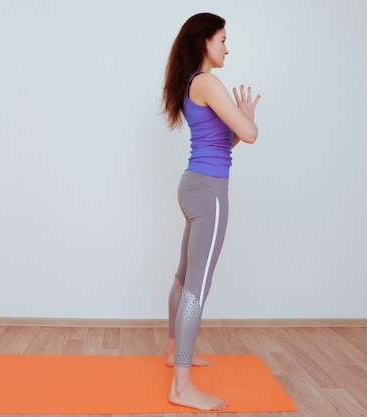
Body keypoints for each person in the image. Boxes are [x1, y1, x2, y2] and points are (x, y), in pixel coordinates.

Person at [162, 12, 261, 411]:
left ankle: (174, 353)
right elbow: (250, 136)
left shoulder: (191, 84)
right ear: (205, 41)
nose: (226, 47)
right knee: (197, 289)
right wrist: (249, 122)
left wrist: (243, 124)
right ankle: (181, 387)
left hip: (193, 185)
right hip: (209, 191)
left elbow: (225, 144)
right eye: (222, 39)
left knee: (185, 279)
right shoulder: (208, 82)